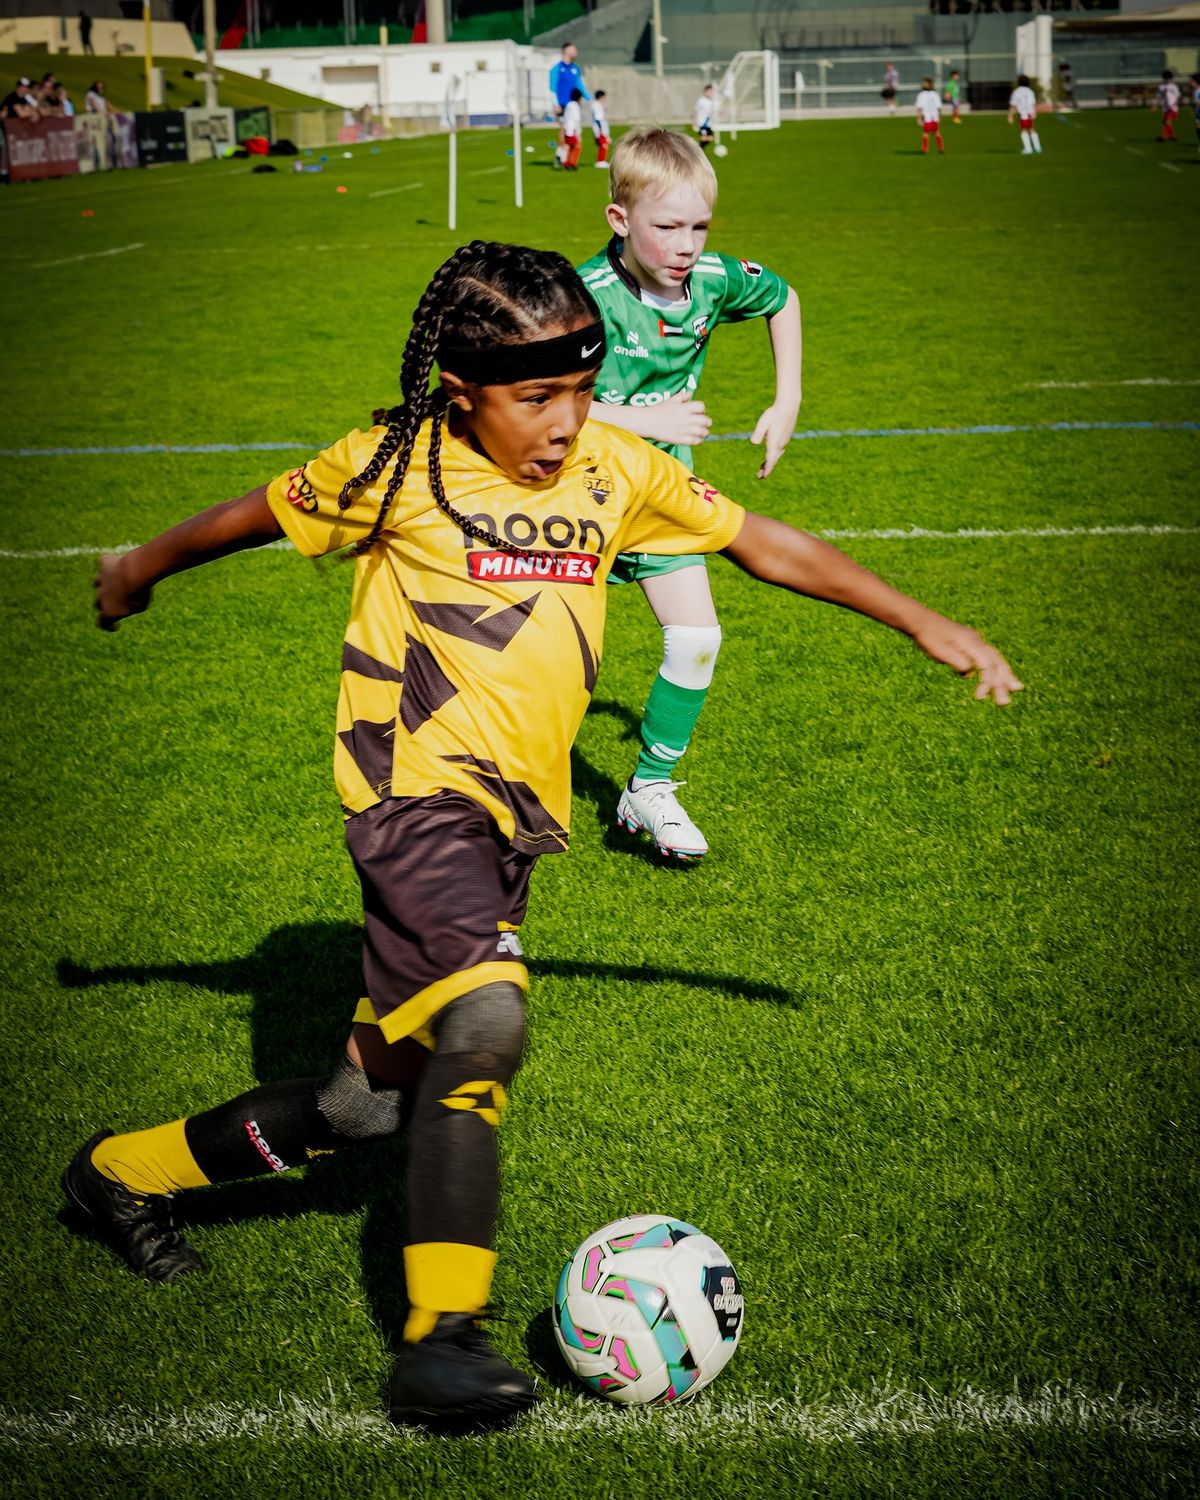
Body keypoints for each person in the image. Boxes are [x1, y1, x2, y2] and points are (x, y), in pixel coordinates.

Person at [66, 238, 1019, 1434]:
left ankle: (118, 1176)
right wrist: (140, 568)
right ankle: (441, 1341)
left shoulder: (614, 467)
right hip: (412, 801)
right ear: (462, 391)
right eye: (537, 398)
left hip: (512, 826)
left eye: (581, 388)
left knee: (365, 1111)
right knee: (487, 1021)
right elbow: (250, 515)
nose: (567, 422)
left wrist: (920, 619)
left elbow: (757, 541)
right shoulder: (395, 467)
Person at [576, 129, 801, 860]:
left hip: (661, 492)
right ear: (620, 220)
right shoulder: (581, 296)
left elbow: (783, 297)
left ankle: (649, 788)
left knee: (698, 638)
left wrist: (787, 399)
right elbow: (533, 401)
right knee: (557, 658)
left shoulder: (710, 278)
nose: (685, 245)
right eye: (667, 227)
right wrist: (640, 421)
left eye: (699, 226)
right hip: (571, 497)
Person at [549, 42, 589, 169]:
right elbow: (552, 86)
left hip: (574, 106)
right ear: (567, 51)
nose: (576, 52)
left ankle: (566, 158)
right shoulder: (557, 68)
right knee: (564, 130)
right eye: (574, 50)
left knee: (572, 132)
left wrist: (590, 99)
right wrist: (556, 103)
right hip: (562, 105)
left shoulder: (576, 68)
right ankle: (560, 157)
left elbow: (580, 85)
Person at [1007, 74, 1041, 155]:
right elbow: (1033, 103)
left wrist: (1010, 115)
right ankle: (1037, 148)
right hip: (1030, 112)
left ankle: (1028, 149)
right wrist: (1034, 112)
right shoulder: (1030, 91)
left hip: (1023, 113)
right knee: (1032, 129)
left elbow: (1013, 104)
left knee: (1024, 130)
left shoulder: (1016, 92)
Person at [916, 77, 944, 156]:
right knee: (927, 133)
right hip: (927, 117)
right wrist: (919, 118)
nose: (923, 84)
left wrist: (940, 116)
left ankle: (940, 148)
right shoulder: (925, 94)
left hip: (933, 117)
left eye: (925, 83)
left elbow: (939, 107)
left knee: (935, 132)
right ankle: (925, 149)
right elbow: (920, 107)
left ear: (930, 84)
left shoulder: (931, 94)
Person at [561, 87, 583, 171]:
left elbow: (566, 118)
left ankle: (567, 162)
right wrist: (578, 133)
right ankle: (572, 163)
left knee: (570, 146)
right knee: (577, 146)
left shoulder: (568, 104)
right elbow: (576, 120)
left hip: (567, 129)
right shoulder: (575, 106)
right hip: (572, 130)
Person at [1156, 70, 1180, 142]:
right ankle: (1173, 136)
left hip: (1172, 107)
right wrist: (1155, 104)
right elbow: (1159, 96)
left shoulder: (1173, 86)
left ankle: (1163, 136)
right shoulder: (1161, 87)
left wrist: (1174, 104)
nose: (1167, 80)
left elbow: (1178, 96)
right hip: (1165, 108)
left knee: (1167, 121)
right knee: (1165, 122)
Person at [590, 88, 610, 168]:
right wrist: (601, 129)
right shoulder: (596, 105)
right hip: (600, 129)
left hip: (601, 128)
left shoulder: (598, 105)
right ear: (600, 97)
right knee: (603, 145)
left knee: (604, 144)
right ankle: (601, 161)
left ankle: (602, 160)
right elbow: (598, 118)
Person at [693, 82, 715, 150]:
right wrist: (694, 122)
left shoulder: (712, 101)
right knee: (705, 138)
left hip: (708, 123)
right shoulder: (701, 100)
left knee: (709, 139)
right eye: (709, 91)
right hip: (702, 123)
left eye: (711, 91)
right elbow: (695, 111)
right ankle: (693, 144)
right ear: (705, 91)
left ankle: (697, 147)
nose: (711, 93)